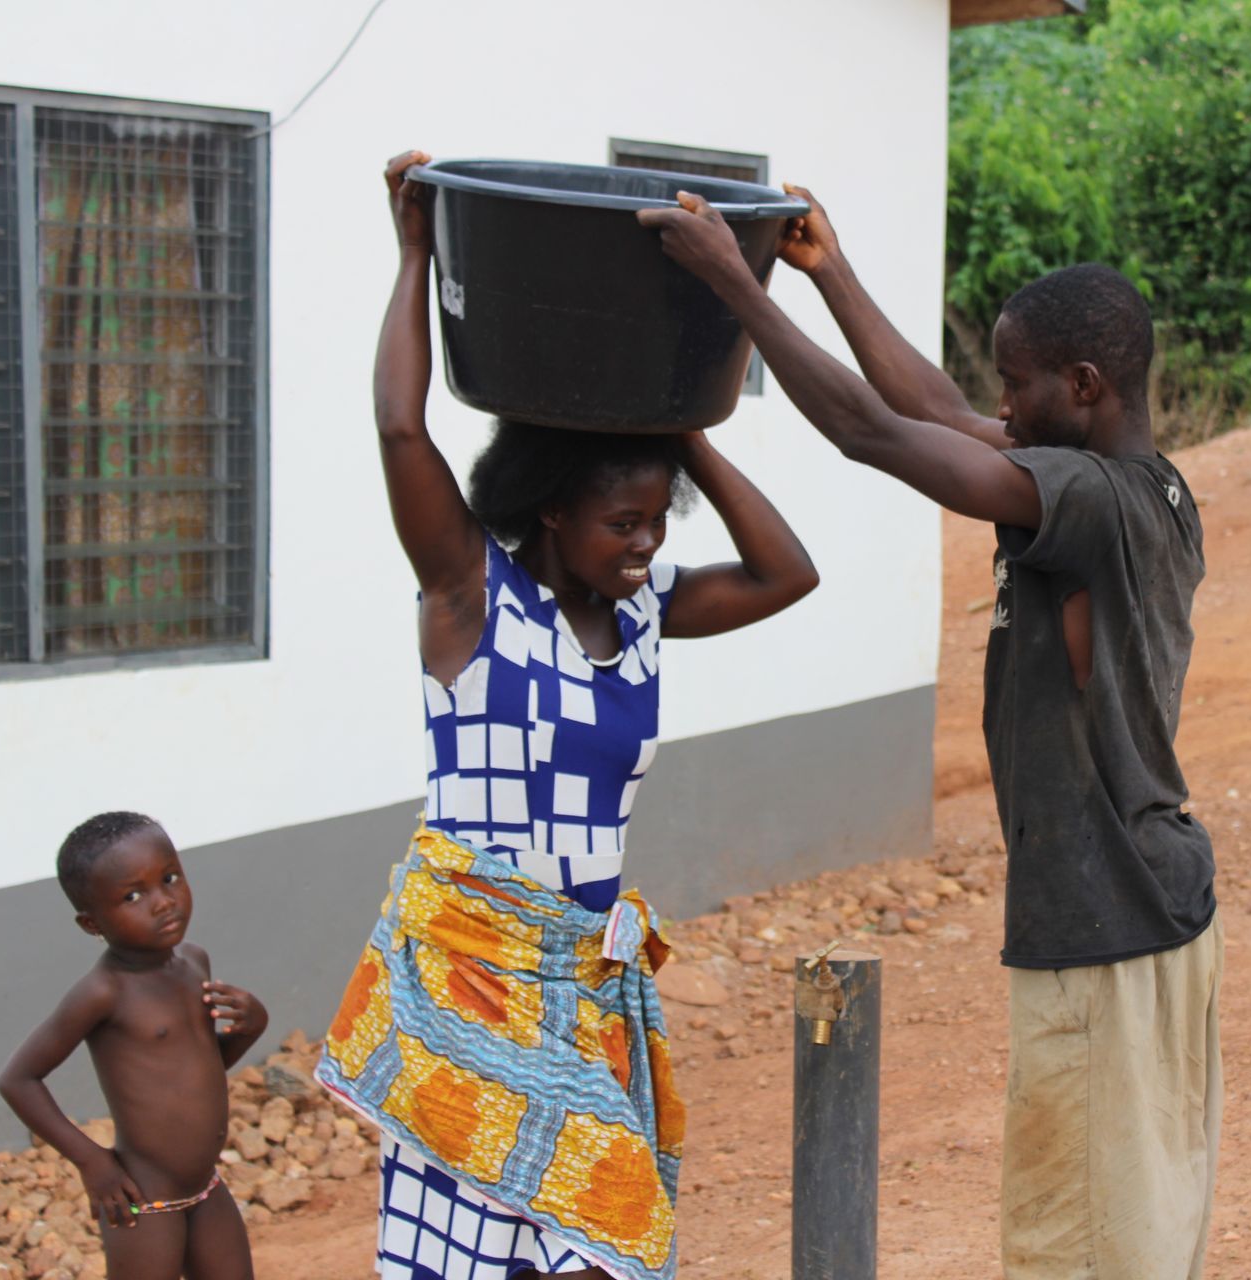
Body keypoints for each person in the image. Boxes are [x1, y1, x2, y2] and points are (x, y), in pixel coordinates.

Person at [641, 189, 1222, 1278]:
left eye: (1020, 386)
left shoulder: (1090, 503)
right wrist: (831, 272)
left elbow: (877, 434)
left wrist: (731, 281)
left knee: (1086, 1244)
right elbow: (941, 410)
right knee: (1134, 1230)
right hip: (1158, 898)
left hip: (1106, 923)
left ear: (1083, 389)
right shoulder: (1141, 483)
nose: (1000, 407)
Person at [313, 152, 818, 1280]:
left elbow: (789, 574)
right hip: (472, 975)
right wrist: (412, 255)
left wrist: (683, 420)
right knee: (486, 1243)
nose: (648, 545)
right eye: (624, 523)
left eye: (658, 521)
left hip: (580, 979)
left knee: (594, 1245)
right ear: (549, 510)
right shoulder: (472, 599)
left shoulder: (646, 617)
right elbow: (403, 432)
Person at [0, 812, 267, 1280]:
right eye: (133, 895)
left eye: (169, 878)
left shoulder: (193, 962)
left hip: (205, 1186)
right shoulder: (104, 993)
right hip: (144, 1198)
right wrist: (92, 1161)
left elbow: (200, 1071)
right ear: (90, 923)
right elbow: (18, 1080)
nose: (163, 903)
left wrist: (250, 1027)